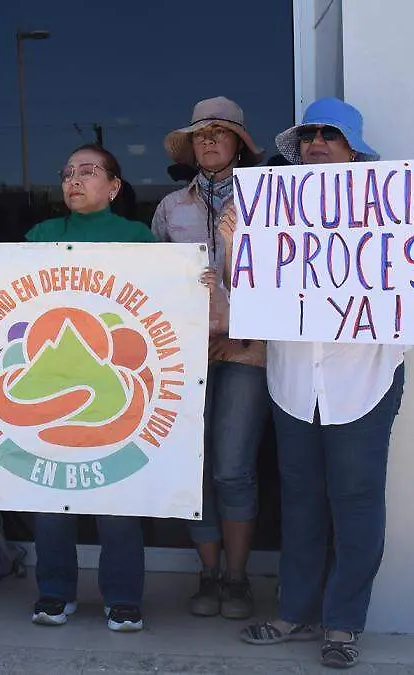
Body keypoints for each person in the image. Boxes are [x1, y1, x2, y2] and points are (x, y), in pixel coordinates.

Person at [226, 98, 414, 669]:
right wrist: (235, 243)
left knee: (357, 502)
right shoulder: (271, 211)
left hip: (364, 379)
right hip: (292, 379)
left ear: (353, 150)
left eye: (331, 136)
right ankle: (294, 611)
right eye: (309, 135)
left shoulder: (397, 207)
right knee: (298, 502)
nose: (317, 143)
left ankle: (343, 624)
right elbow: (240, 285)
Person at [0, 144, 155, 632]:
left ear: (114, 186)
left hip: (112, 386)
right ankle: (55, 593)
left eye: (88, 172)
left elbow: (167, 304)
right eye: (68, 172)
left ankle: (123, 597)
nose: (74, 180)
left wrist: (198, 282)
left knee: (120, 499)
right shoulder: (42, 235)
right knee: (51, 498)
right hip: (47, 389)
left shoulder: (140, 239)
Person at [153, 96, 268, 620]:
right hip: (185, 356)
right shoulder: (171, 208)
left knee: (233, 468)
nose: (207, 140)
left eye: (219, 132)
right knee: (194, 467)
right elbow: (151, 286)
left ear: (238, 144)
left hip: (248, 352)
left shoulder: (270, 204)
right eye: (200, 134)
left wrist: (242, 326)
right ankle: (206, 574)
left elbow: (287, 281)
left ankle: (238, 579)